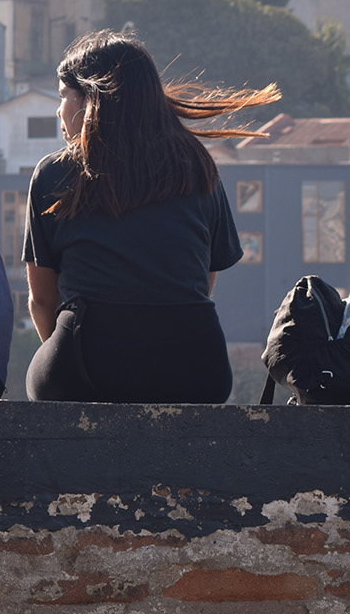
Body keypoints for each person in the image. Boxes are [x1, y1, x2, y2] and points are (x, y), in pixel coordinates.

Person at [23, 30, 280, 403]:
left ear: (90, 100)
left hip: (84, 373)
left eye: (63, 97)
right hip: (197, 373)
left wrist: (72, 359)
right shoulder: (197, 167)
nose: (59, 111)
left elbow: (42, 300)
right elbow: (199, 283)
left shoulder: (54, 174)